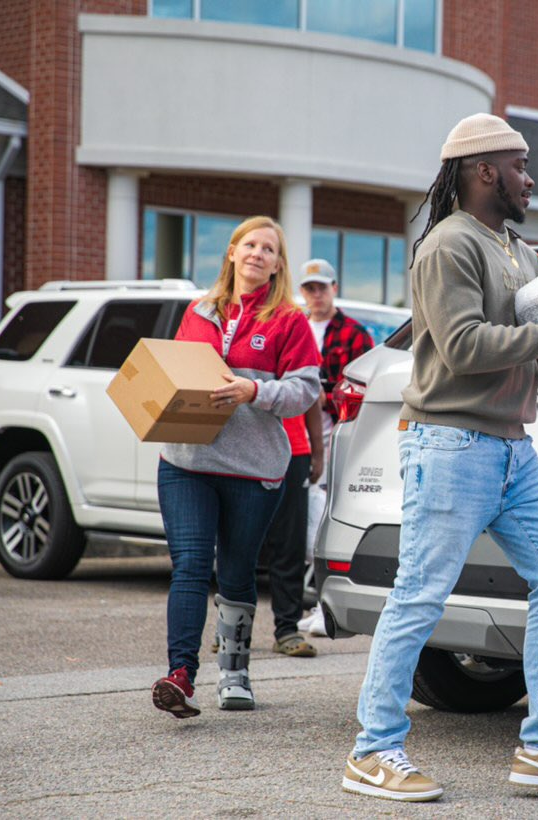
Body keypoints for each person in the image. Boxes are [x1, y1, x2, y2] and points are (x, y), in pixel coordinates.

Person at [341, 113, 538, 802]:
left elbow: (530, 362)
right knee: (421, 596)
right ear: (486, 171)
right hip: (449, 443)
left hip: (512, 450)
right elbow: (464, 347)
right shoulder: (448, 246)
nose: (531, 180)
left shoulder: (522, 254)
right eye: (522, 167)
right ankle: (372, 752)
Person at [150, 215, 320, 718]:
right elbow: (175, 370)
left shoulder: (288, 321)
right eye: (250, 244)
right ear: (231, 252)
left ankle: (235, 673)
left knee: (238, 571)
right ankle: (181, 675)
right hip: (188, 461)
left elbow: (306, 390)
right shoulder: (199, 312)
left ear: (277, 265)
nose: (258, 254)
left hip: (253, 468)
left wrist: (257, 391)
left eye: (269, 249)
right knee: (191, 566)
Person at [296, 259, 375, 636]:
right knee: (300, 528)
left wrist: (316, 396)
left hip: (337, 440)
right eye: (309, 288)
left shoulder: (355, 333)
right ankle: (308, 605)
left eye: (321, 287)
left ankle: (322, 607)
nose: (316, 295)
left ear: (334, 287)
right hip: (294, 440)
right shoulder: (295, 329)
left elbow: (362, 388)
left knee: (323, 524)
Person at [263, 400, 324, 657]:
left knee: (290, 543)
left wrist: (317, 452)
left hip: (294, 450)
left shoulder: (299, 357)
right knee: (237, 542)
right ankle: (229, 630)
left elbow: (310, 397)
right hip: (241, 454)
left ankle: (287, 629)